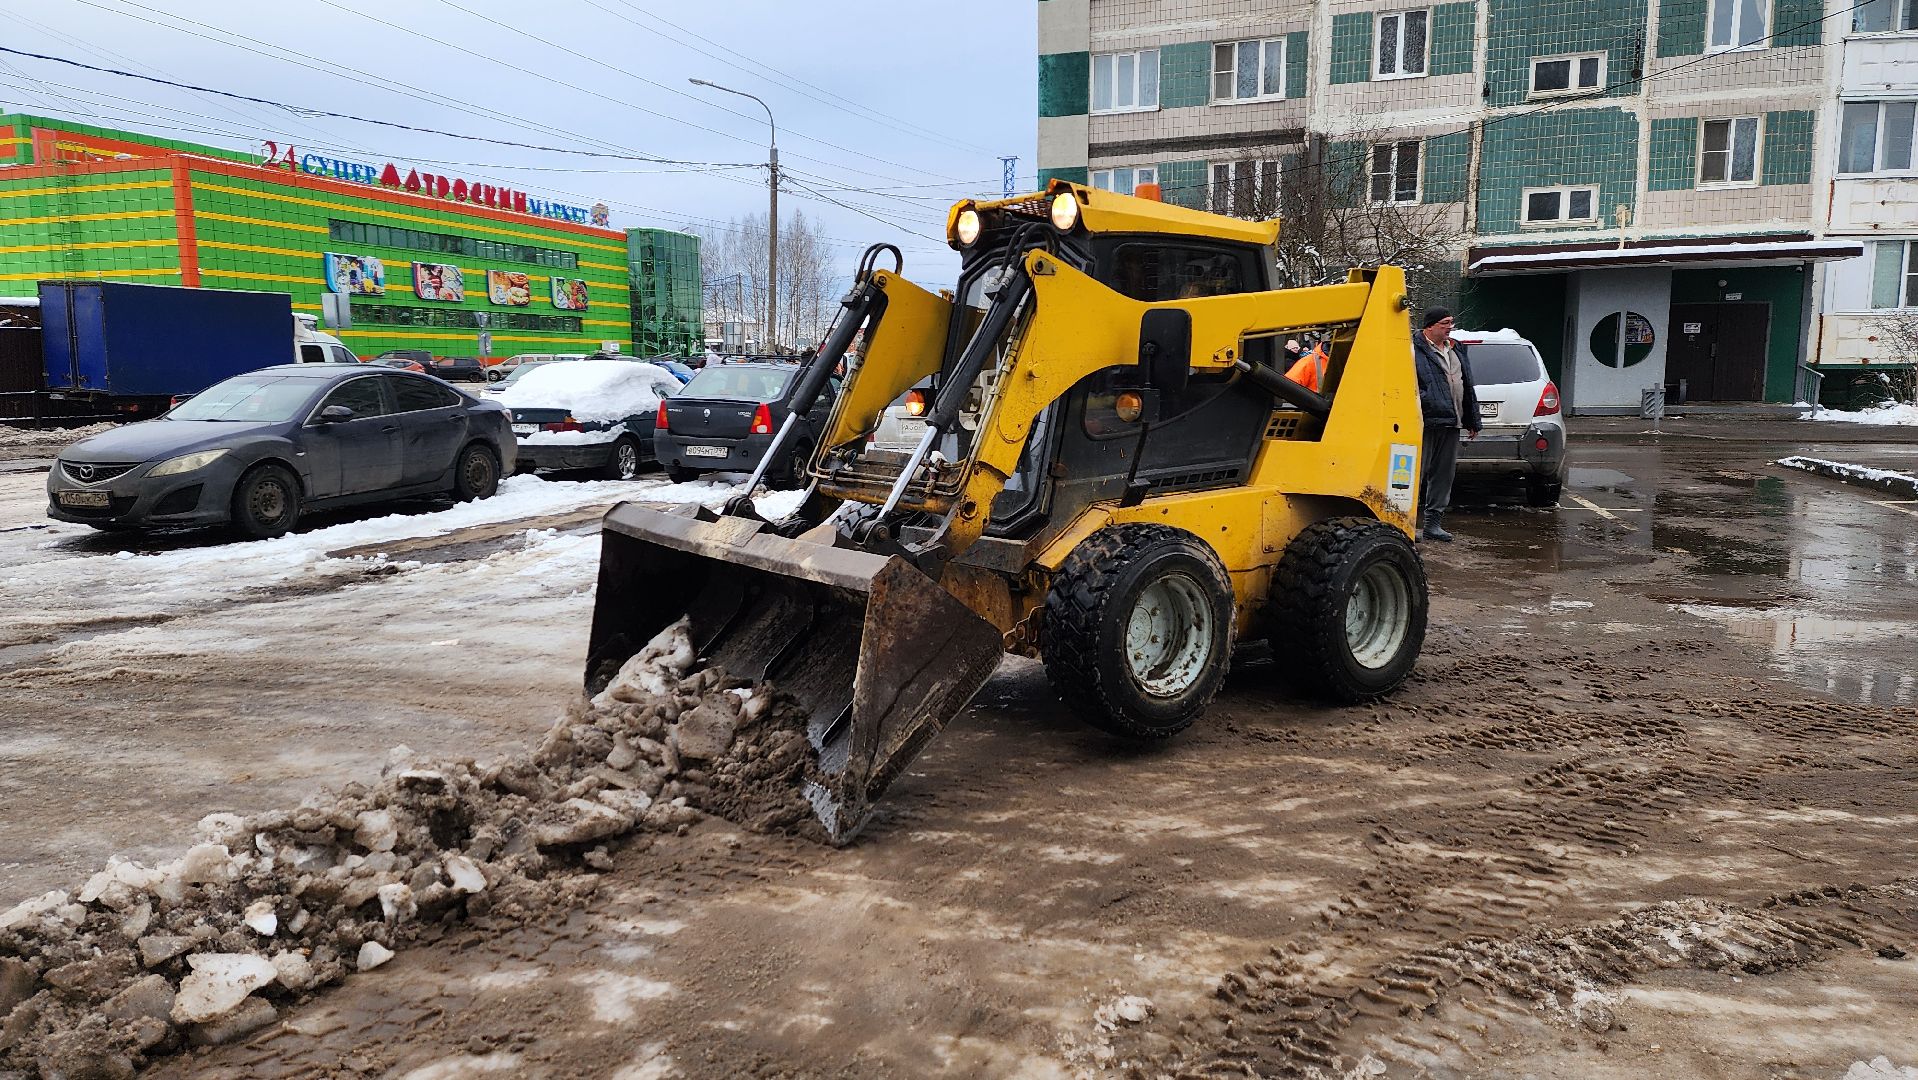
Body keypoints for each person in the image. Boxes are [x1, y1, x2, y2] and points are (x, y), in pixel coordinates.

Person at [1411, 307, 1480, 542]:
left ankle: (1433, 525)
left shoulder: (1456, 348)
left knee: (1443, 475)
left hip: (1452, 421)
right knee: (1414, 474)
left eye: (1451, 322)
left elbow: (1467, 384)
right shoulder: (1413, 350)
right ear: (1429, 326)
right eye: (1444, 323)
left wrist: (1472, 419)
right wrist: (1427, 401)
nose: (1450, 327)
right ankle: (1407, 524)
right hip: (1425, 422)